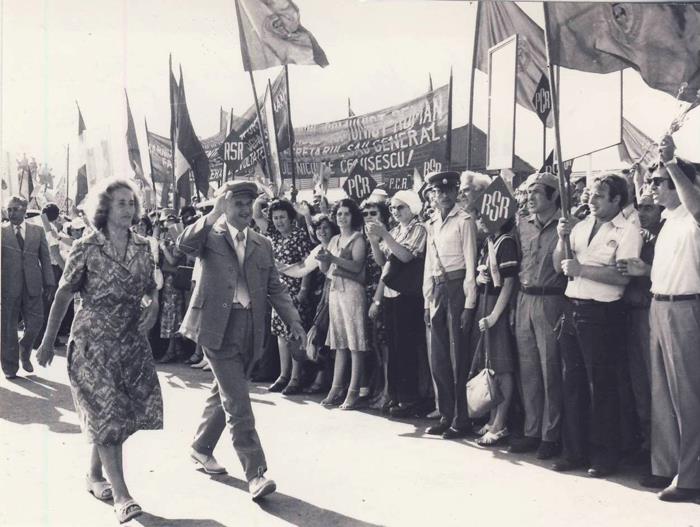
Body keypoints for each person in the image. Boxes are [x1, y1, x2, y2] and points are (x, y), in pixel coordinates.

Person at [35, 179, 163, 524]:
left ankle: (94, 475)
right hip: (93, 341)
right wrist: (47, 342)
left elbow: (151, 287)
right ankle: (122, 495)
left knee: (121, 413)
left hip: (130, 341)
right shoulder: (86, 246)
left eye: (131, 203)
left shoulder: (143, 246)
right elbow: (64, 294)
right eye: (121, 203)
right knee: (106, 413)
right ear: (104, 209)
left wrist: (153, 305)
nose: (128, 209)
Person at [177, 180, 305, 501]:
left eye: (250, 204)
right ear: (225, 205)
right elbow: (184, 244)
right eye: (238, 204)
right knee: (238, 401)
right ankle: (255, 473)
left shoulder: (262, 243)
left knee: (225, 392)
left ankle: (201, 447)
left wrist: (294, 321)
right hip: (216, 327)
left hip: (250, 328)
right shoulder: (209, 235)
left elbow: (275, 288)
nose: (246, 210)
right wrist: (213, 213)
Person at [552, 173, 642, 477]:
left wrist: (583, 270)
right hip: (572, 308)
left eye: (599, 195)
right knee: (572, 382)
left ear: (617, 199)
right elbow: (558, 266)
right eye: (590, 194)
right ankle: (574, 451)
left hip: (602, 313)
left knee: (602, 385)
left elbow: (622, 277)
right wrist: (561, 238)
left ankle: (605, 455)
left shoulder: (628, 231)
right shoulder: (579, 227)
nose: (591, 200)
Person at [642, 136, 700, 502]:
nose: (653, 187)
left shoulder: (693, 217)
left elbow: (696, 205)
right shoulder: (668, 221)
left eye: (659, 181)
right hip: (658, 306)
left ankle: (691, 475)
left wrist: (672, 163)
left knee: (687, 395)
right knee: (662, 392)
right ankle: (665, 466)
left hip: (685, 307)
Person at [510, 172, 567, 459]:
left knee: (550, 370)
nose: (530, 197)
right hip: (524, 298)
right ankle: (532, 430)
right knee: (529, 370)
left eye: (536, 192)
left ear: (554, 195)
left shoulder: (567, 225)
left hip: (551, 300)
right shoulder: (522, 224)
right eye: (528, 192)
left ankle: (550, 434)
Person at [422, 170, 477, 439]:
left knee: (458, 358)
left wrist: (469, 304)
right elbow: (429, 265)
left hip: (457, 288)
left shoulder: (464, 220)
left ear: (456, 192)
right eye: (438, 192)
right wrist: (426, 300)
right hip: (438, 290)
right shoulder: (431, 223)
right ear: (433, 195)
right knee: (439, 357)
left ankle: (461, 418)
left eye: (449, 190)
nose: (444, 195)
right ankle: (446, 414)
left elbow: (470, 264)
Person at [366, 190, 427, 417]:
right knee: (394, 348)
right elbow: (383, 263)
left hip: (408, 294)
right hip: (391, 293)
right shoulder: (395, 231)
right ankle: (396, 396)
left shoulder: (419, 228)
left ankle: (409, 399)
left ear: (412, 207)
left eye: (400, 207)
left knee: (406, 348)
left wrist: (384, 235)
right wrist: (374, 242)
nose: (395, 211)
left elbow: (406, 256)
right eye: (392, 208)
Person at [616, 190, 664, 478]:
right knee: (638, 385)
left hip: (650, 313)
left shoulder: (665, 237)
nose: (642, 213)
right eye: (640, 207)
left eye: (648, 208)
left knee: (654, 383)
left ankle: (660, 450)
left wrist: (645, 270)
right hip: (631, 315)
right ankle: (646, 444)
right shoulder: (638, 236)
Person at [316, 198, 369, 410]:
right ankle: (336, 388)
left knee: (355, 342)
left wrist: (334, 259)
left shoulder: (358, 239)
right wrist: (323, 258)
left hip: (352, 292)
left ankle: (353, 391)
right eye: (339, 214)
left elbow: (357, 267)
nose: (342, 217)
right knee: (339, 342)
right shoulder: (334, 239)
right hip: (335, 292)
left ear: (353, 216)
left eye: (346, 213)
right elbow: (324, 270)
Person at [471, 216, 519, 446]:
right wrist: (479, 278)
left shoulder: (506, 242)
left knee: (502, 367)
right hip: (485, 301)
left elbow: (509, 283)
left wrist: (494, 316)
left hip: (496, 307)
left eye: (484, 215)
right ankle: (491, 419)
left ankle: (500, 422)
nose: (480, 219)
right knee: (489, 366)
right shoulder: (488, 241)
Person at [1, 195, 55, 378]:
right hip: (8, 286)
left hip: (33, 285)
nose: (11, 213)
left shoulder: (37, 231)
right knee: (8, 328)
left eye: (15, 209)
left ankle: (24, 348)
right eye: (9, 209)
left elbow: (45, 258)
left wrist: (49, 282)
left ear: (24, 210)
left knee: (36, 323)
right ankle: (9, 367)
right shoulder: (1, 232)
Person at [265, 199, 313, 395]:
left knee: (294, 334)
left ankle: (295, 377)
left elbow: (307, 264)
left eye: (282, 217)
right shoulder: (273, 238)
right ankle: (283, 375)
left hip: (295, 290)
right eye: (275, 218)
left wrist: (304, 290)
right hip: (278, 291)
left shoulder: (299, 236)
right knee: (280, 335)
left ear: (291, 218)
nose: (279, 221)